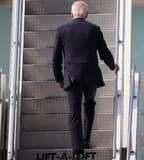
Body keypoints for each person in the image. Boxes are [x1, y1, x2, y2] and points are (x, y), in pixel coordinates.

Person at [52, 1, 119, 159]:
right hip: (91, 77)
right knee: (89, 104)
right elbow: (103, 52)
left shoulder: (62, 30)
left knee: (74, 113)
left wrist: (59, 78)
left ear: (72, 14)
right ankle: (86, 139)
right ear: (86, 15)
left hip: (72, 77)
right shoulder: (94, 29)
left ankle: (77, 150)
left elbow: (55, 59)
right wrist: (112, 66)